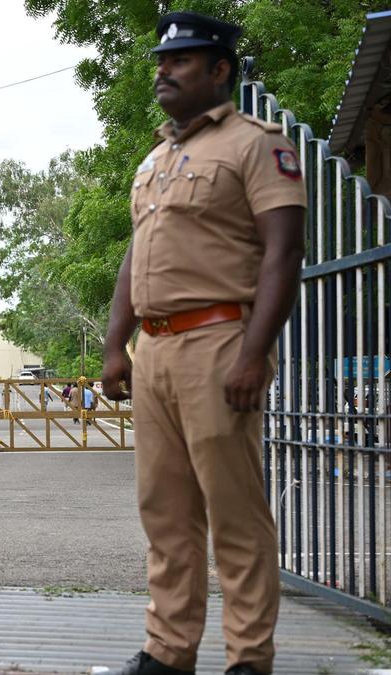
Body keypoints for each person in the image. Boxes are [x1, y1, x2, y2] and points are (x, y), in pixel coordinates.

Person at [99, 12, 306, 675]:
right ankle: (168, 651)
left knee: (234, 512)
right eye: (161, 61)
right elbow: (136, 261)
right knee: (165, 510)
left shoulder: (256, 145)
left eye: (180, 60)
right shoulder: (155, 159)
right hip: (154, 352)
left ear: (219, 69)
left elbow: (284, 251)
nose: (163, 70)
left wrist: (254, 351)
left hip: (219, 341)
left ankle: (249, 659)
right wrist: (114, 346)